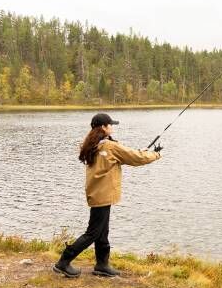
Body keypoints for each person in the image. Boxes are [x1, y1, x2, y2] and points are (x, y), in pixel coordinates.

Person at [53, 113, 162, 278]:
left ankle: (102, 265)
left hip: (97, 193)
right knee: (93, 232)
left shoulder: (90, 144)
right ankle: (63, 262)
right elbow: (136, 158)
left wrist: (140, 151)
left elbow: (126, 154)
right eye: (110, 125)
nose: (112, 127)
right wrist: (155, 154)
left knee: (102, 231)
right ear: (104, 127)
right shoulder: (109, 147)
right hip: (103, 195)